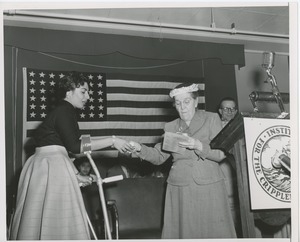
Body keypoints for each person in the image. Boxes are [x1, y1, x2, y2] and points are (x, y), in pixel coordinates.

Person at [9, 71, 133, 240]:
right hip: (50, 165)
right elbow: (75, 147)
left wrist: (76, 175)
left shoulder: (64, 111)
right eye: (83, 91)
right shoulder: (64, 111)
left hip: (49, 165)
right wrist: (112, 141)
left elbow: (72, 143)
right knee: (56, 221)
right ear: (69, 92)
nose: (87, 96)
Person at [129, 83, 236, 239]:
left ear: (195, 101)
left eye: (186, 102)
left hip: (209, 186)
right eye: (178, 103)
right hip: (180, 187)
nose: (182, 107)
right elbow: (159, 156)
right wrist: (139, 148)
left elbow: (221, 154)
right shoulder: (171, 127)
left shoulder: (211, 119)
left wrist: (197, 145)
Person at [218, 97, 241, 236]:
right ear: (220, 111)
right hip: (223, 167)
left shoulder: (240, 126)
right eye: (226, 108)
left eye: (232, 108)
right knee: (228, 201)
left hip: (239, 167)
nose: (229, 111)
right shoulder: (214, 127)